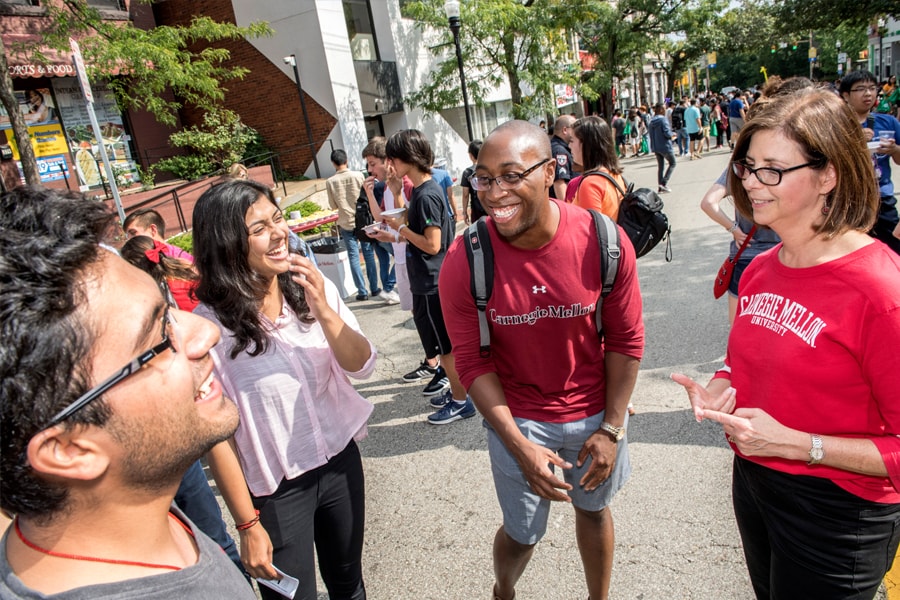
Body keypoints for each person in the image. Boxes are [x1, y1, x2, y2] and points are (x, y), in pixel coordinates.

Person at [673, 88, 900, 599]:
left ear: (829, 175)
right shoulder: (757, 270)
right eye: (748, 166)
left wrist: (800, 445)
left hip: (839, 509)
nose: (751, 183)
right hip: (756, 483)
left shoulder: (881, 291)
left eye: (772, 169)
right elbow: (740, 362)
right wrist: (721, 387)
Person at [0, 187, 251, 598]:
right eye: (158, 337)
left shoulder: (137, 506)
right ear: (70, 450)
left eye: (168, 312)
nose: (206, 332)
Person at [441, 120, 644, 600]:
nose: (495, 193)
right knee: (522, 532)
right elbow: (470, 362)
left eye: (512, 175)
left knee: (593, 511)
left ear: (551, 170)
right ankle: (503, 590)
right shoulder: (465, 257)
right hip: (518, 418)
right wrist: (516, 443)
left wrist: (611, 428)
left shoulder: (604, 241)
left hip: (594, 413)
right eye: (484, 178)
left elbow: (626, 340)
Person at [191, 179, 376, 600]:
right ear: (226, 243)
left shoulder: (311, 290)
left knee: (350, 586)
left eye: (278, 219)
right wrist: (246, 524)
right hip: (276, 491)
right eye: (259, 228)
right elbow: (217, 439)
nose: (279, 234)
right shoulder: (207, 329)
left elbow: (362, 365)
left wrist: (324, 310)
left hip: (340, 462)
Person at [119, 234, 245, 574]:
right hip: (185, 424)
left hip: (170, 431)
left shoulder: (142, 309)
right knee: (213, 532)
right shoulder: (175, 282)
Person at [382, 129, 476, 424]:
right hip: (433, 278)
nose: (390, 164)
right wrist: (398, 198)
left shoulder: (425, 193)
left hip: (434, 279)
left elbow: (432, 243)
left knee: (446, 348)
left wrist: (400, 228)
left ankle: (462, 401)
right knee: (444, 345)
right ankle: (459, 394)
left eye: (392, 158)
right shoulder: (428, 188)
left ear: (406, 158)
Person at [839, 70, 900, 255]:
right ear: (846, 95)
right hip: (849, 201)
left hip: (882, 199)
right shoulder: (836, 124)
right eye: (860, 89)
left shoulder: (888, 122)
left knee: (892, 251)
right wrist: (854, 140)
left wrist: (894, 149)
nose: (868, 94)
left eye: (872, 88)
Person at [326, 148, 380, 301]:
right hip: (362, 220)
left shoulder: (330, 182)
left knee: (353, 256)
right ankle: (374, 288)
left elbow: (332, 205)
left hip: (345, 222)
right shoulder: (358, 175)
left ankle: (362, 291)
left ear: (333, 163)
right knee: (368, 253)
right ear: (346, 160)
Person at [359, 137, 402, 306]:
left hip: (412, 258)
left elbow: (410, 225)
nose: (370, 170)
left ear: (387, 161)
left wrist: (393, 237)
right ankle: (389, 288)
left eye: (372, 164)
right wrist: (369, 194)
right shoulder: (385, 187)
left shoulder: (404, 184)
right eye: (368, 165)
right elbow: (380, 218)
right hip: (401, 256)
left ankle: (388, 288)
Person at [568, 116, 626, 218]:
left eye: (572, 141)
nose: (569, 146)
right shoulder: (614, 174)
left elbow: (591, 230)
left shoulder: (591, 183)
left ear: (586, 144)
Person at [123, 207, 194, 262]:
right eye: (127, 235)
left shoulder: (182, 259)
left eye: (133, 233)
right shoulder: (140, 262)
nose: (129, 239)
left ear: (152, 230)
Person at [648, 103, 677, 193]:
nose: (665, 110)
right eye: (664, 109)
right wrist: (673, 135)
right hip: (665, 146)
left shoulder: (651, 121)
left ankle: (660, 187)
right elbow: (667, 133)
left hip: (656, 146)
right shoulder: (663, 120)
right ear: (660, 109)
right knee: (673, 163)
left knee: (661, 167)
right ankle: (663, 183)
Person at [549, 114, 576, 199]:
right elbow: (559, 183)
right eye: (574, 128)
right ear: (565, 130)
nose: (577, 132)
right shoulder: (560, 151)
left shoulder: (554, 146)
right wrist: (568, 209)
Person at [461, 139, 487, 224]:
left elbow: (465, 195)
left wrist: (465, 212)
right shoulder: (489, 168)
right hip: (490, 205)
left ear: (471, 156)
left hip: (477, 210)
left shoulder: (467, 172)